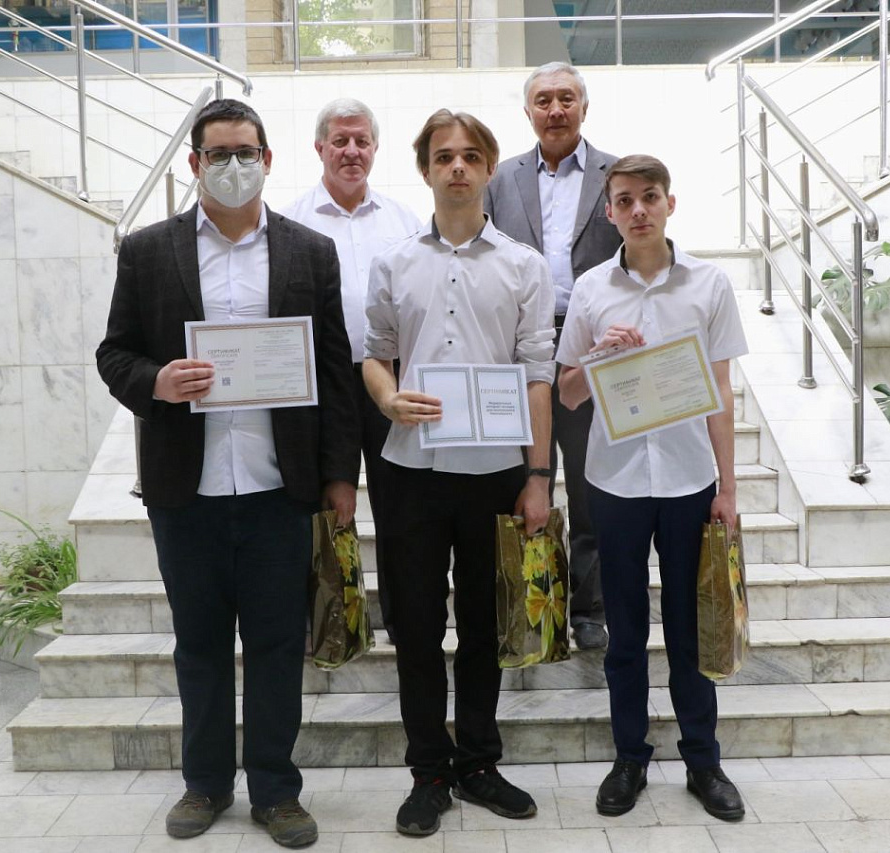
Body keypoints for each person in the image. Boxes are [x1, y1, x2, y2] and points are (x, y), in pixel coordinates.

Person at [96, 98, 361, 848]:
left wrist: (341, 476)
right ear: (195, 164)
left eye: (247, 152)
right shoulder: (148, 251)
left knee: (278, 645)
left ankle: (276, 790)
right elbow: (114, 353)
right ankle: (205, 784)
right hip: (188, 490)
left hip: (282, 488)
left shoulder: (311, 251)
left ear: (269, 159)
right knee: (200, 644)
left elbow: (335, 371)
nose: (234, 165)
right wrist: (156, 381)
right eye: (219, 154)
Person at [363, 109, 554, 838]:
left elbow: (538, 374)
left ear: (489, 168)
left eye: (472, 156)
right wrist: (387, 396)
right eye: (444, 156)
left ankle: (477, 762)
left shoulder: (524, 265)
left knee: (482, 623)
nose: (458, 168)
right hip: (411, 469)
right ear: (425, 169)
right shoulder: (393, 261)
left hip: (494, 471)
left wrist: (538, 476)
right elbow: (374, 352)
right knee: (415, 626)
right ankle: (428, 774)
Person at [555, 155, 749, 822]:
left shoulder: (708, 284)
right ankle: (629, 757)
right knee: (625, 631)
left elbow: (721, 391)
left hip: (689, 477)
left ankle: (703, 760)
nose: (638, 210)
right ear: (610, 212)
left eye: (649, 197)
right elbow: (567, 393)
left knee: (690, 629)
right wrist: (597, 357)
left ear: (670, 203)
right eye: (624, 200)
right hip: (615, 481)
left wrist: (728, 488)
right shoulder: (591, 289)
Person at [484, 61, 623, 651]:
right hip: (520, 346)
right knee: (524, 482)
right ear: (528, 112)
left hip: (590, 347)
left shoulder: (617, 174)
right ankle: (529, 601)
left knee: (590, 487)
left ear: (584, 107)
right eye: (543, 100)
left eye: (567, 98)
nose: (556, 110)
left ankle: (590, 610)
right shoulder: (500, 180)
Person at [282, 98, 423, 643]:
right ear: (319, 147)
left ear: (375, 148)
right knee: (327, 502)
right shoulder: (291, 221)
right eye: (340, 141)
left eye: (361, 141)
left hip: (390, 379)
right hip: (323, 383)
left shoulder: (403, 221)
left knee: (400, 505)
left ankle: (404, 617)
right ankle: (331, 619)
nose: (351, 151)